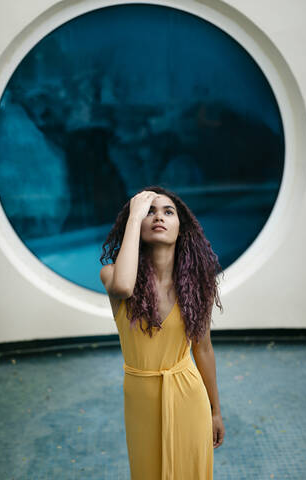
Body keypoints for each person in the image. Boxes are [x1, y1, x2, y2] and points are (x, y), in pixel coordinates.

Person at [100, 185, 225, 479]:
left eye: (168, 212)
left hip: (188, 395)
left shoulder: (197, 286)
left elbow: (203, 349)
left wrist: (215, 410)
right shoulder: (112, 274)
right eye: (149, 212)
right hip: (141, 397)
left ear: (181, 229)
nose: (158, 217)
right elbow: (123, 287)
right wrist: (133, 215)